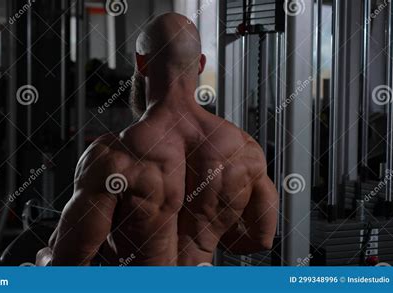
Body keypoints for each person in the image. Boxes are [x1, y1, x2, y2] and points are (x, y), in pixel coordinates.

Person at [36, 12, 278, 266]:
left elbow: (66, 267)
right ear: (201, 64)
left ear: (141, 63)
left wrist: (44, 256)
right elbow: (261, 239)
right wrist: (207, 229)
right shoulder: (245, 149)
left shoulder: (112, 155)